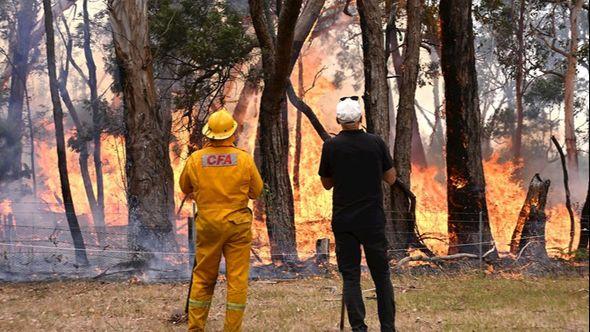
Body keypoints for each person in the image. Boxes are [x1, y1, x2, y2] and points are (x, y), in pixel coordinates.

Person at [179, 108, 263, 332]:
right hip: (237, 226)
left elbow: (184, 187)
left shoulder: (196, 159)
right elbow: (256, 191)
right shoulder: (244, 159)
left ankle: (196, 327)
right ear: (232, 134)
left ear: (209, 135)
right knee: (236, 280)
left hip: (208, 226)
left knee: (204, 277)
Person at [318, 96, 397, 332]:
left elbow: (326, 183)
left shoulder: (331, 146)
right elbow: (391, 178)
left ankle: (358, 328)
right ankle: (388, 328)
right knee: (381, 276)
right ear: (361, 118)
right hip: (372, 220)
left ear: (338, 120)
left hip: (344, 222)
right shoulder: (376, 142)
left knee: (351, 276)